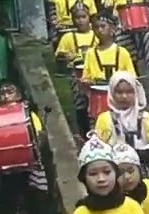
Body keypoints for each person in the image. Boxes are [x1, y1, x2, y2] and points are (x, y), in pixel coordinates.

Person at [0, 79, 61, 214]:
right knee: (5, 204)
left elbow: (38, 138)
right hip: (5, 168)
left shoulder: (27, 113)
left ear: (19, 95)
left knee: (37, 200)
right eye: (2, 93)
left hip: (29, 166)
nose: (6, 96)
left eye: (10, 92)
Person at [109, 0, 149, 101]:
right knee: (128, 58)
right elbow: (107, 5)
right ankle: (134, 91)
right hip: (121, 24)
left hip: (142, 23)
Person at [55, 4, 99, 136]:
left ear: (89, 18)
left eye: (83, 17)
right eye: (77, 18)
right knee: (81, 107)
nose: (80, 20)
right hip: (77, 76)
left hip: (95, 74)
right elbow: (59, 56)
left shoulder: (96, 35)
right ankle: (84, 134)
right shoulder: (68, 37)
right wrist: (66, 57)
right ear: (73, 20)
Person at [93, 72, 149, 148]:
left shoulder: (145, 117)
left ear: (136, 93)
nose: (124, 96)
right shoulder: (105, 118)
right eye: (119, 92)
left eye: (129, 92)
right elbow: (98, 145)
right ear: (112, 94)